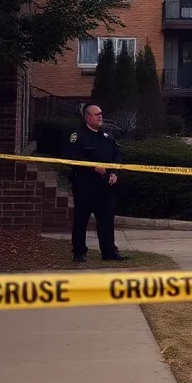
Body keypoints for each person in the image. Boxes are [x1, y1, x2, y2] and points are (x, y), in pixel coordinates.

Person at [66, 103, 128, 263]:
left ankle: (109, 252)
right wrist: (94, 167)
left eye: (101, 113)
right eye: (96, 114)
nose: (100, 116)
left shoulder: (107, 136)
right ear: (87, 117)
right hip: (85, 185)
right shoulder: (78, 136)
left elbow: (117, 155)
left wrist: (115, 172)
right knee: (81, 219)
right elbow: (73, 157)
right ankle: (79, 252)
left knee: (107, 219)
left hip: (105, 186)